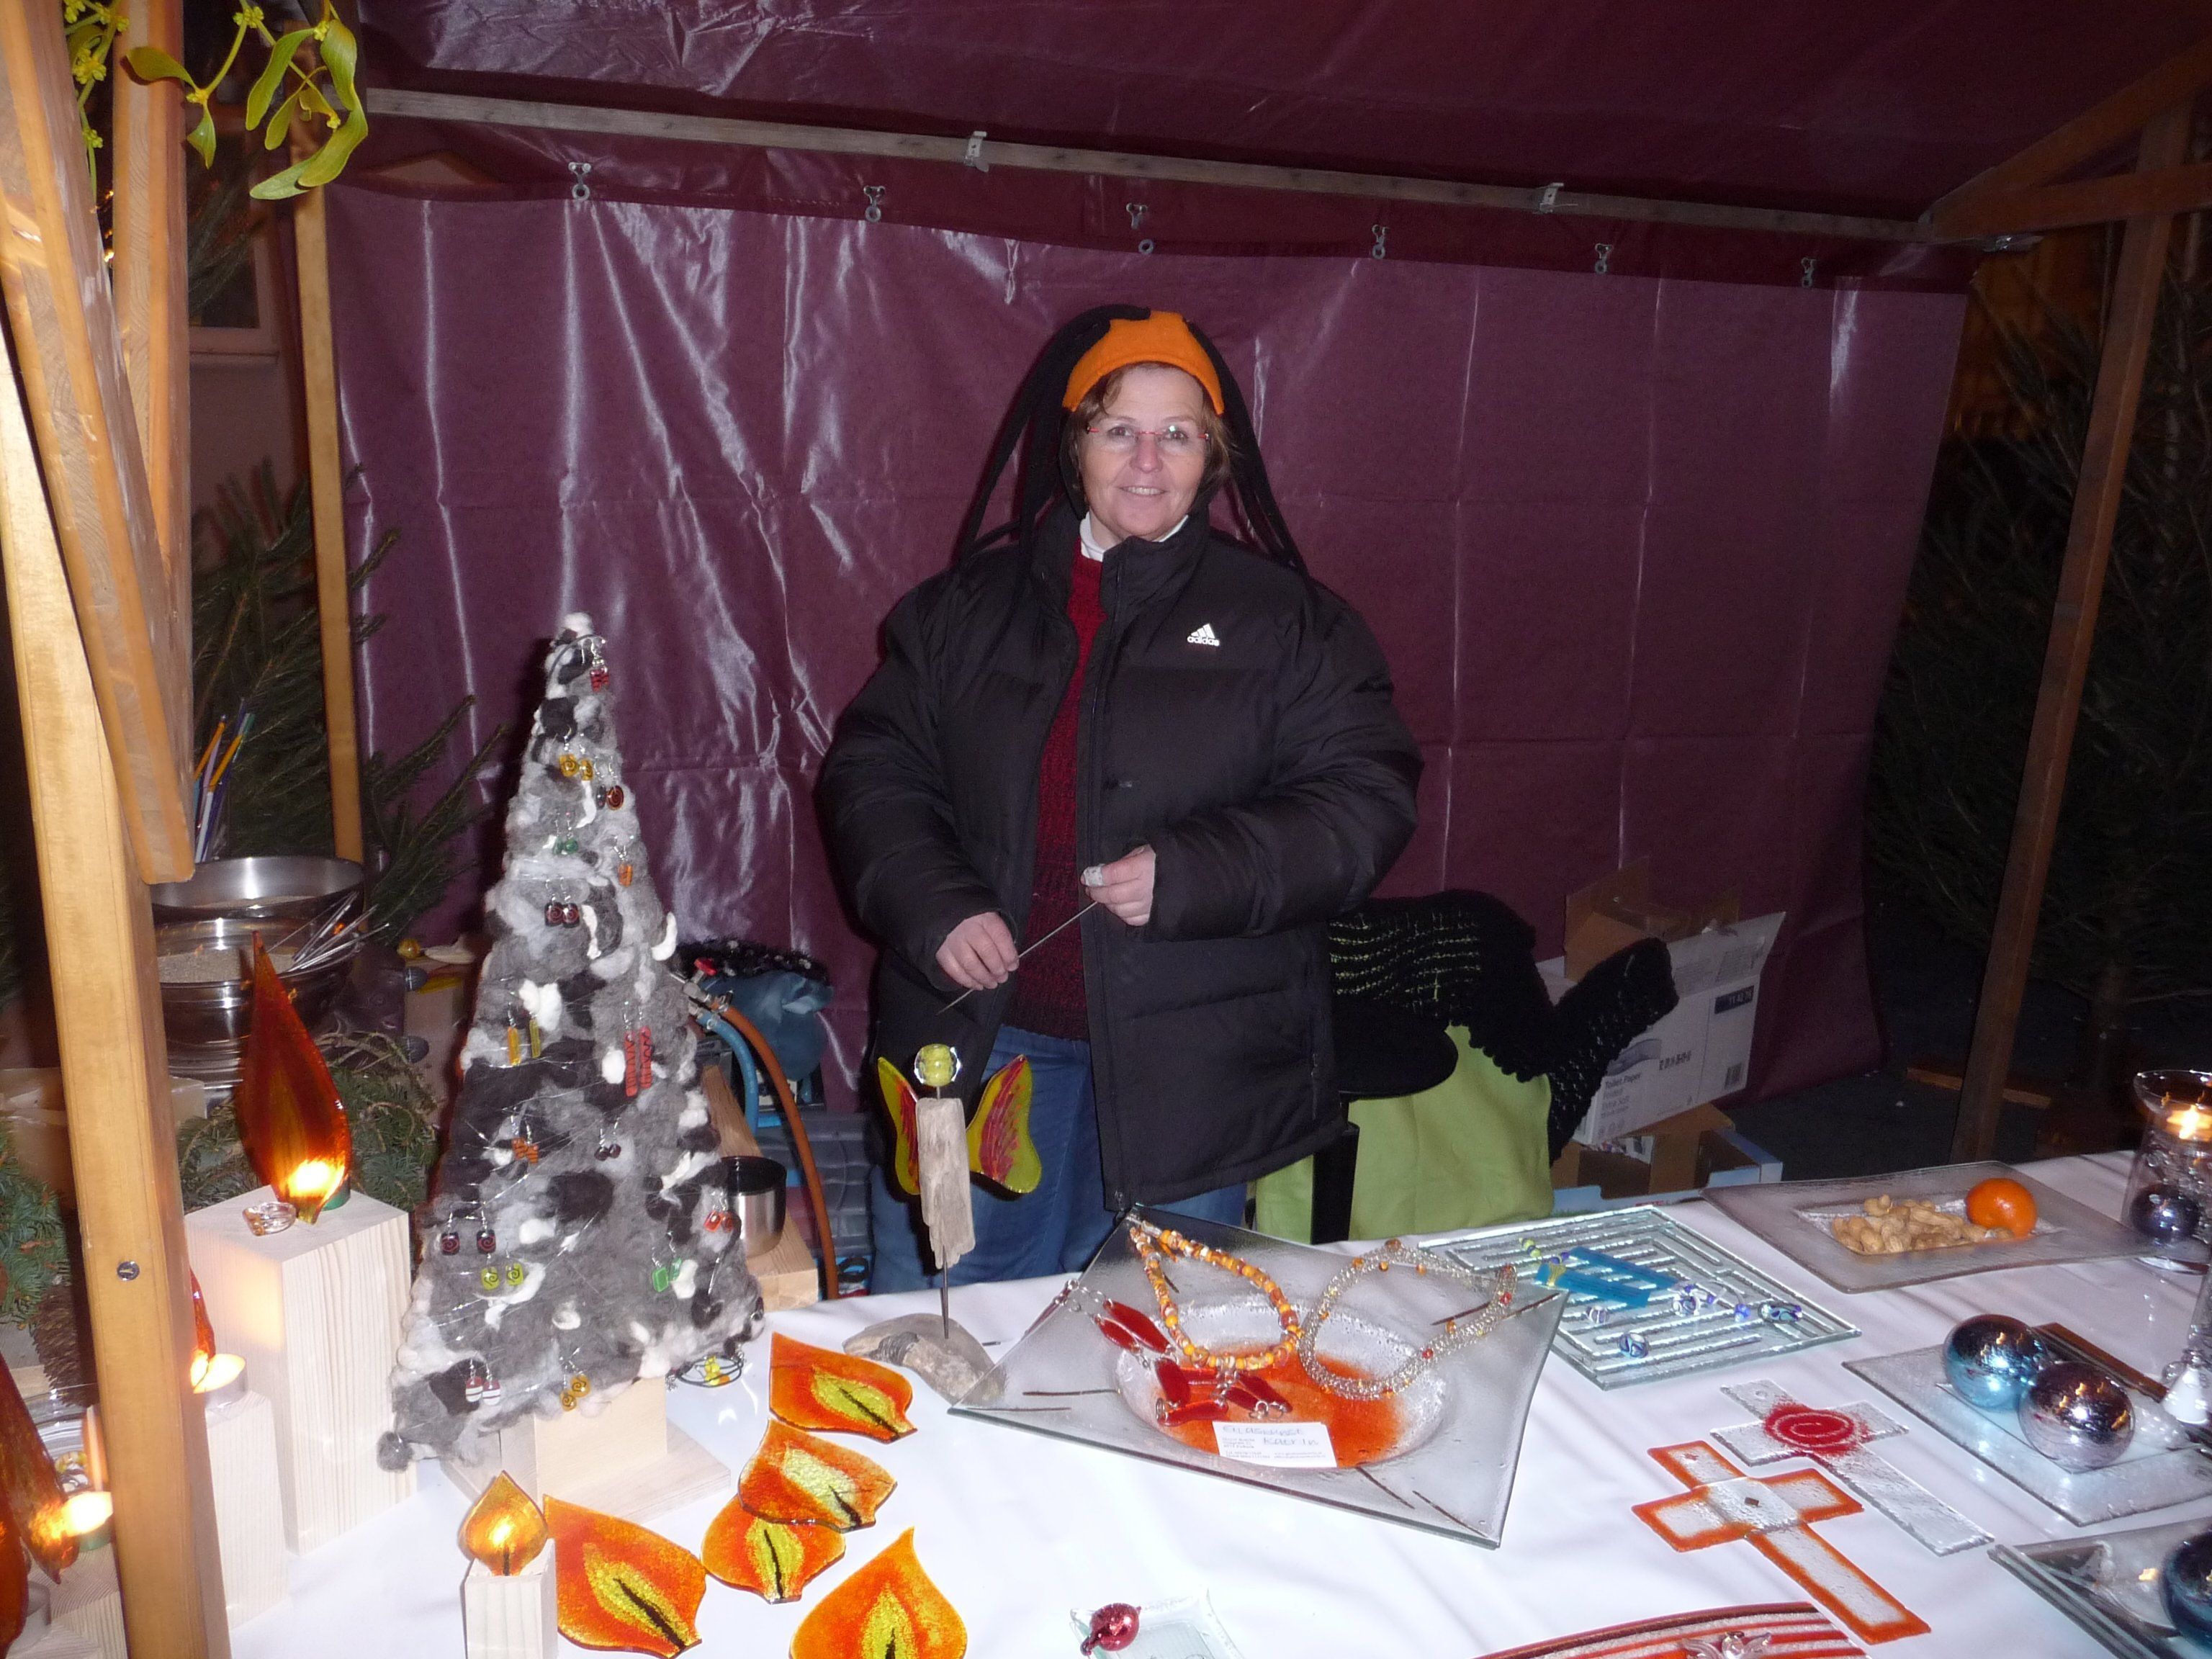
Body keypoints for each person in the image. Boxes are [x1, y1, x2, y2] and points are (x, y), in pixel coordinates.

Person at [817, 306, 1419, 1290]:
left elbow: (1365, 800)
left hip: (1188, 1071)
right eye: (1118, 430)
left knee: (1147, 1327)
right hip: (981, 1045)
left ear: (1212, 455)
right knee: (950, 1313)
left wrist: (1197, 871)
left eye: (1177, 433)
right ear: (1075, 445)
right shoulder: (964, 611)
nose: (1147, 460)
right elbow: (875, 770)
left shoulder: (1293, 625)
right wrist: (936, 904)